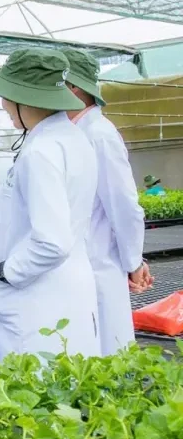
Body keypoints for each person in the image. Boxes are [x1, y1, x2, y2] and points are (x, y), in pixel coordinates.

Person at [0, 48, 101, 361]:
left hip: (37, 300)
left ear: (26, 99)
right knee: (69, 380)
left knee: (35, 384)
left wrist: (7, 272)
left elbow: (52, 243)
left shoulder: (41, 151)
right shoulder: (73, 139)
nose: (3, 105)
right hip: (67, 289)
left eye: (7, 96)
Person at [62, 49, 153, 355]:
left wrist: (133, 262)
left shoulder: (99, 134)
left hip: (99, 264)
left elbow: (123, 205)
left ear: (74, 88)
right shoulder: (75, 133)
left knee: (106, 349)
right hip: (79, 267)